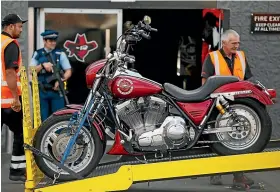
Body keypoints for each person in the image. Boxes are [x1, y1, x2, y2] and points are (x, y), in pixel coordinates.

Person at [201, 29, 254, 187]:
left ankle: (238, 177)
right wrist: (207, 103)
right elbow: (205, 82)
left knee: (238, 139)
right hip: (218, 104)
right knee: (217, 138)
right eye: (233, 43)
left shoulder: (241, 57)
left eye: (238, 43)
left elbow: (247, 80)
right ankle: (215, 173)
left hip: (238, 105)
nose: (237, 46)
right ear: (223, 43)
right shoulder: (212, 57)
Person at [1, 13, 28, 182]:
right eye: (19, 26)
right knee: (21, 133)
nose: (21, 30)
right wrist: (15, 98)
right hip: (8, 102)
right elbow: (10, 72)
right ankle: (17, 171)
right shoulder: (10, 45)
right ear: (10, 26)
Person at [30, 30, 72, 122]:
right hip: (42, 91)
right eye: (50, 41)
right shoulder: (38, 54)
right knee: (42, 118)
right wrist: (42, 65)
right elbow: (31, 71)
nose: (53, 43)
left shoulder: (60, 54)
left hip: (56, 91)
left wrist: (61, 80)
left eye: (54, 40)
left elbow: (68, 71)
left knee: (58, 117)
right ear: (44, 41)